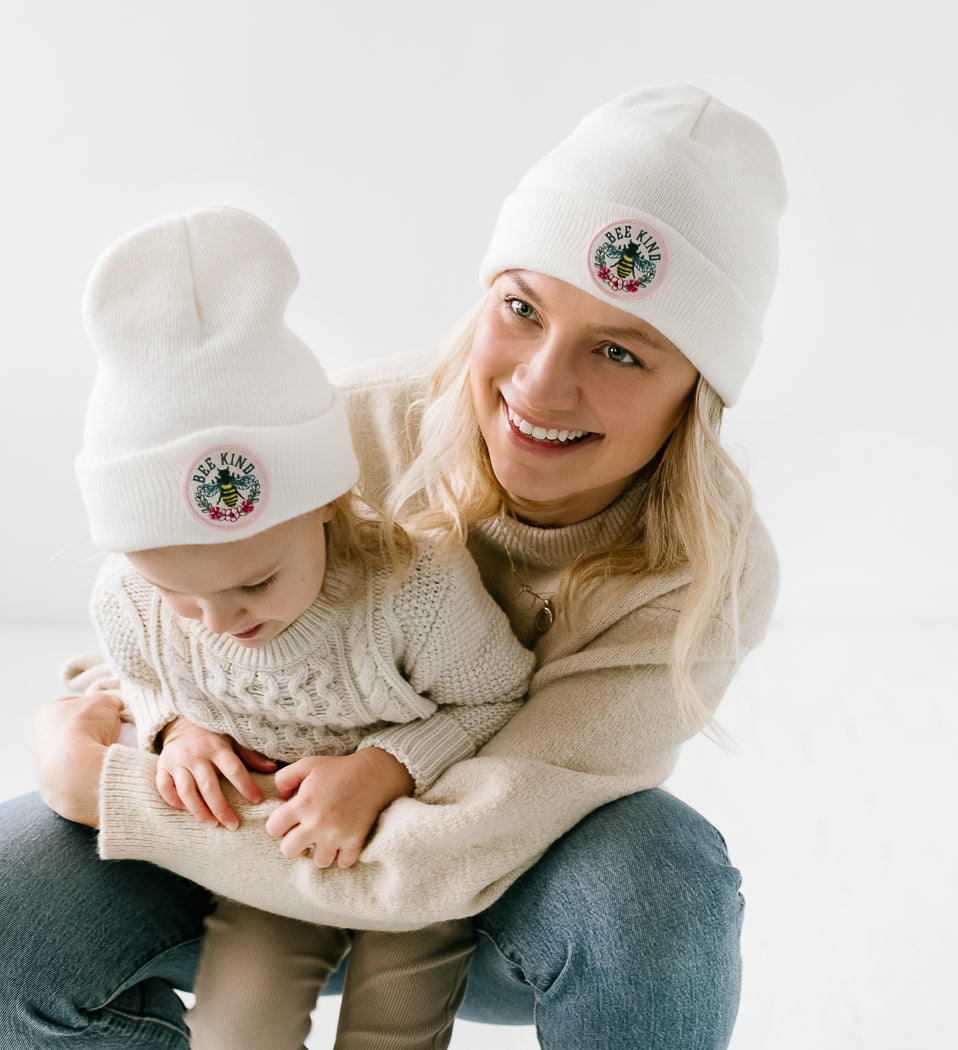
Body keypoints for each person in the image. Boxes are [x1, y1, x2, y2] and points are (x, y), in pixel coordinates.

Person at [3, 83, 785, 1049]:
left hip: (488, 897)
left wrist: (110, 795)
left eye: (621, 352)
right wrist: (156, 732)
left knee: (661, 885)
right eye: (521, 307)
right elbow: (154, 632)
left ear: (696, 394)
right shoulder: (330, 445)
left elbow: (461, 848)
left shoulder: (704, 572)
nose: (538, 386)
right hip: (249, 864)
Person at [62, 205, 535, 1050]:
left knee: (393, 1025)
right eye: (181, 594)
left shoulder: (413, 591)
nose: (220, 622)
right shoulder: (129, 599)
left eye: (254, 581)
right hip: (269, 862)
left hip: (410, 852)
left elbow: (501, 699)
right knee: (235, 1032)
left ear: (323, 503)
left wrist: (387, 766)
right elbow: (140, 670)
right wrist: (175, 727)